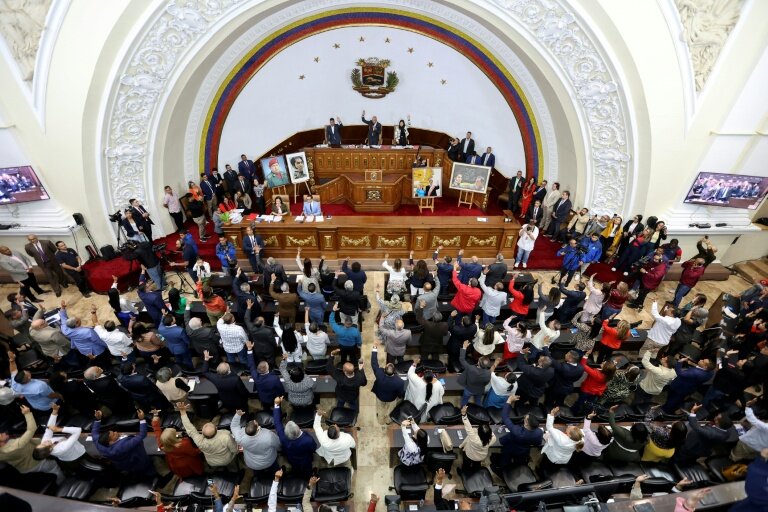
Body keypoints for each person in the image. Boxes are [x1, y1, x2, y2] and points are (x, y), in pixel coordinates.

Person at [0, 404, 63, 482]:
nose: (2, 433)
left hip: (23, 468)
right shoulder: (16, 445)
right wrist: (27, 413)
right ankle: (62, 482)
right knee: (53, 467)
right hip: (35, 464)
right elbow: (31, 429)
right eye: (0, 435)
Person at [92, 409, 155, 476]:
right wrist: (142, 419)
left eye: (113, 432)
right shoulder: (123, 446)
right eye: (113, 434)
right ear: (110, 442)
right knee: (148, 469)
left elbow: (94, 432)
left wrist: (98, 419)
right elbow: (142, 434)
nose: (116, 432)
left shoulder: (99, 443)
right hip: (139, 463)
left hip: (123, 465)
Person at [177, 402, 239, 471]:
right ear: (216, 428)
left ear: (202, 433)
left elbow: (190, 429)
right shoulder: (226, 436)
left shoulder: (199, 441)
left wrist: (183, 413)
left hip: (211, 462)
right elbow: (234, 450)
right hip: (227, 460)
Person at [151, 410, 204, 479]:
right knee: (196, 470)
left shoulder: (162, 444)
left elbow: (157, 431)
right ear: (174, 437)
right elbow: (193, 453)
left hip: (174, 463)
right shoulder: (184, 444)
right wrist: (202, 448)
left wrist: (155, 416)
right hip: (187, 462)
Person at [232, 408, 281, 476]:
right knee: (275, 470)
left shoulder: (240, 437)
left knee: (257, 473)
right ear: (258, 428)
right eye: (257, 423)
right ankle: (277, 475)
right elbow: (278, 444)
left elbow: (234, 427)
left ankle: (258, 477)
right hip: (269, 461)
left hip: (253, 463)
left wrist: (237, 415)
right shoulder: (269, 436)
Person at [371, 339, 406, 422]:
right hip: (391, 398)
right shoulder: (399, 382)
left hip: (380, 396)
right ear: (394, 371)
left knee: (380, 409)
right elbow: (400, 394)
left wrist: (375, 348)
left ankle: (380, 419)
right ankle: (388, 420)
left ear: (384, 370)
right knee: (390, 410)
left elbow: (374, 363)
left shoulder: (379, 373)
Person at [459, 405, 496, 469]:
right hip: (481, 456)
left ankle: (465, 471)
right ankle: (476, 470)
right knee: (477, 465)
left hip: (470, 455)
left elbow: (468, 426)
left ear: (479, 432)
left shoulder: (474, 438)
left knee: (466, 465)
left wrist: (464, 414)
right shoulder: (493, 439)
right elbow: (489, 433)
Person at [458, 341, 492, 406]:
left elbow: (462, 359)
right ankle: (478, 412)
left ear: (478, 363)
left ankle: (463, 409)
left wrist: (464, 348)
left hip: (469, 389)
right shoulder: (488, 373)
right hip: (480, 390)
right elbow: (486, 383)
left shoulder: (471, 368)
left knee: (465, 399)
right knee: (478, 401)